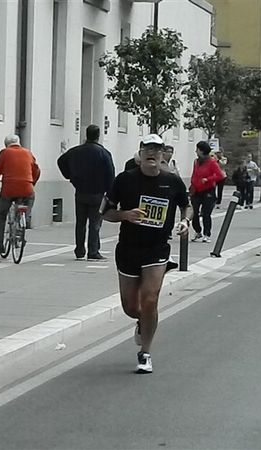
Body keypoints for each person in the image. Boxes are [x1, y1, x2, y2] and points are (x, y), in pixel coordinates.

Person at [101, 134, 191, 374]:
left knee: (150, 299)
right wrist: (125, 215)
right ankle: (143, 321)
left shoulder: (172, 182)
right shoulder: (125, 180)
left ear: (163, 156)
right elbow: (105, 212)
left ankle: (145, 353)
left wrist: (185, 221)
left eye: (157, 150)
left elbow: (187, 204)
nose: (152, 154)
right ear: (140, 154)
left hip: (157, 249)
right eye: (148, 149)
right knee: (131, 307)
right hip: (129, 248)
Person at [58, 125, 115, 261]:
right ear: (98, 135)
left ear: (86, 135)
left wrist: (69, 175)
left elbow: (61, 161)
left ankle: (79, 250)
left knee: (80, 223)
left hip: (81, 191)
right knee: (95, 223)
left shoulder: (75, 151)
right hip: (97, 193)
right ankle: (93, 251)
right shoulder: (103, 153)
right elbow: (110, 173)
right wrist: (110, 191)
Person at [0, 135, 41, 253]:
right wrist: (32, 183)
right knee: (26, 206)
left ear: (6, 144)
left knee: (1, 213)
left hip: (9, 190)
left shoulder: (4, 153)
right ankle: (21, 229)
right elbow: (36, 170)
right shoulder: (28, 153)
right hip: (27, 188)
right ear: (19, 143)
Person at [190, 141, 226, 243]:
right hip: (196, 190)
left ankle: (207, 234)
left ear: (202, 150)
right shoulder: (196, 162)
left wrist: (208, 179)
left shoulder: (212, 162)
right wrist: (192, 185)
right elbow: (194, 174)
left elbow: (220, 175)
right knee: (194, 212)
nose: (195, 151)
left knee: (206, 213)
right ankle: (198, 231)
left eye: (197, 149)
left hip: (208, 190)